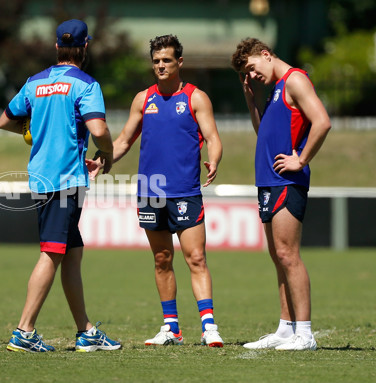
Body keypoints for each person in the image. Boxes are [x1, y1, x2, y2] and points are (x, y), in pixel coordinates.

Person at [0, 19, 121, 353]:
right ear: (84, 48)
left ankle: (86, 331)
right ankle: (24, 331)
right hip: (66, 180)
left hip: (41, 176)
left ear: (56, 47)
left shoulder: (35, 82)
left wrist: (35, 130)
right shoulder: (86, 84)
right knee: (51, 254)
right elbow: (97, 128)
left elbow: (5, 120)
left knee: (72, 254)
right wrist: (107, 154)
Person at [110, 34, 224, 347]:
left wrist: (213, 160)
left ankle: (209, 326)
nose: (161, 66)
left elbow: (212, 138)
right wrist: (101, 159)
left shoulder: (195, 98)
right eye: (157, 61)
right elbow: (122, 141)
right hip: (150, 191)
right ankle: (171, 328)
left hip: (184, 190)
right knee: (161, 259)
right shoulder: (142, 99)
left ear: (179, 62)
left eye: (167, 60)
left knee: (196, 258)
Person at [231, 38, 331, 351]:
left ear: (266, 54)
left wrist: (300, 159)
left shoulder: (295, 80)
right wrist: (251, 102)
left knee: (288, 255)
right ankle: (286, 329)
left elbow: (323, 121)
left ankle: (305, 334)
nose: (252, 74)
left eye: (251, 67)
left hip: (288, 182)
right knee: (278, 257)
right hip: (268, 182)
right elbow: (266, 135)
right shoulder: (275, 91)